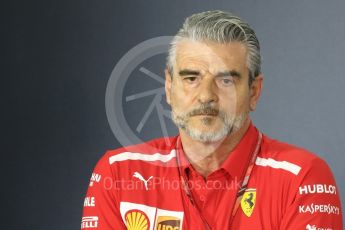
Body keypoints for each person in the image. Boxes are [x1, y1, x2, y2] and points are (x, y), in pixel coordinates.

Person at [81, 10, 343, 229]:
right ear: (169, 87)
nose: (206, 96)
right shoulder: (117, 173)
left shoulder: (302, 178)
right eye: (191, 78)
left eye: (226, 80)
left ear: (254, 91)